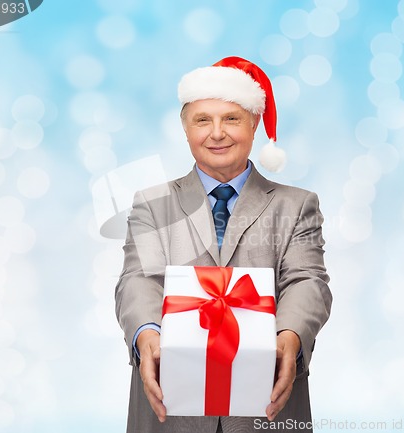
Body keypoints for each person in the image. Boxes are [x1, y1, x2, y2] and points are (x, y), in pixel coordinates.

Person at [115, 56, 332, 433]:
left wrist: (290, 335)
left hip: (265, 405)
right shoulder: (152, 203)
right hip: (170, 404)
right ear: (186, 130)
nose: (217, 133)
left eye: (231, 118)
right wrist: (146, 333)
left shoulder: (296, 205)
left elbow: (307, 281)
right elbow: (138, 278)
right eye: (203, 120)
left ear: (253, 125)